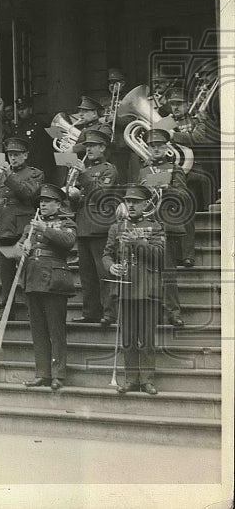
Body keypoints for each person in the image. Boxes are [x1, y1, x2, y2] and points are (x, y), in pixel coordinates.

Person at [104, 184, 166, 395]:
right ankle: (131, 379)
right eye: (128, 201)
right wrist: (111, 266)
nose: (130, 205)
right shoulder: (116, 227)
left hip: (148, 288)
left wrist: (138, 242)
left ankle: (147, 380)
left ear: (145, 204)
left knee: (147, 338)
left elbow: (160, 256)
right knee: (128, 338)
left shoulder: (155, 227)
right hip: (125, 288)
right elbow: (106, 254)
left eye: (135, 202)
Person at [20, 184, 77, 390]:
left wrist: (45, 229)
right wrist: (21, 249)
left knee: (56, 330)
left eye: (47, 201)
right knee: (38, 331)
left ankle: (59, 374)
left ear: (58, 204)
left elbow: (68, 241)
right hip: (33, 278)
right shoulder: (30, 226)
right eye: (41, 202)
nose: (43, 204)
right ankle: (42, 373)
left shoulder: (65, 222)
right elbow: (18, 250)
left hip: (54, 279)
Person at [138, 127, 192, 327]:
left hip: (167, 226)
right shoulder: (143, 171)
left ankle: (173, 313)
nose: (155, 149)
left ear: (166, 147)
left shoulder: (175, 168)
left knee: (168, 273)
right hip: (150, 226)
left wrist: (168, 189)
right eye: (152, 146)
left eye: (159, 145)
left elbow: (185, 195)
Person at [0, 136, 44, 323]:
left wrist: (9, 176)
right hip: (4, 225)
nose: (12, 158)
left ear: (26, 155)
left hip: (23, 226)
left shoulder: (34, 173)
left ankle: (34, 311)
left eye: (16, 155)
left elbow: (28, 193)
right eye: (10, 155)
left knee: (28, 271)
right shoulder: (2, 172)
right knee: (6, 275)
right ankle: (7, 311)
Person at [73, 127, 119, 326]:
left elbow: (101, 194)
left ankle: (110, 312)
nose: (88, 150)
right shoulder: (84, 169)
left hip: (100, 226)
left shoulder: (109, 169)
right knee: (87, 275)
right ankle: (90, 311)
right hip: (83, 226)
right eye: (87, 146)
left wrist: (82, 176)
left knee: (104, 273)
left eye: (92, 146)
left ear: (102, 147)